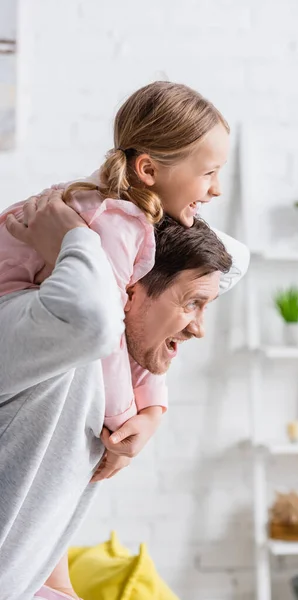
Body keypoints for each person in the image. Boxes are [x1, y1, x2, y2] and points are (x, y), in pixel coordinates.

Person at [0, 191, 248, 600]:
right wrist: (75, 239)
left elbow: (42, 563)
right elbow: (93, 319)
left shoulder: (101, 374)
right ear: (126, 290)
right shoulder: (35, 327)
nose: (199, 328)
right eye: (193, 304)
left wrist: (153, 408)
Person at [0, 80, 233, 451]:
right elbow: (108, 332)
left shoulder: (130, 211)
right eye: (209, 173)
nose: (217, 189)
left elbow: (135, 317)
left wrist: (153, 407)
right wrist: (123, 418)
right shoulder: (114, 222)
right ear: (148, 170)